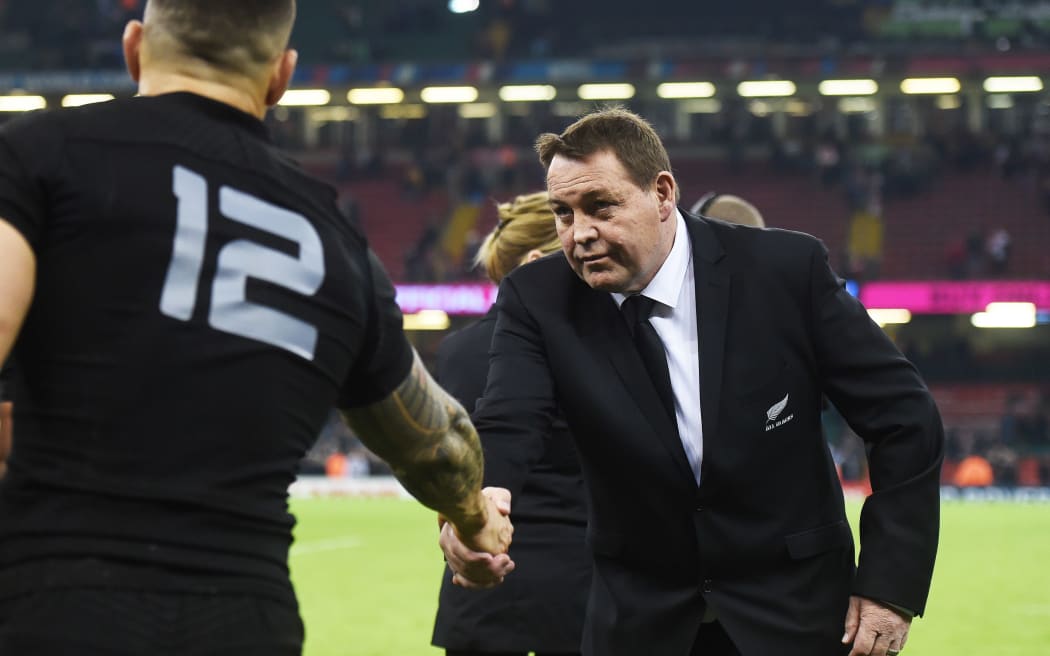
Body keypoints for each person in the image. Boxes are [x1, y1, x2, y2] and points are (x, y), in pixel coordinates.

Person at [0, 2, 511, 654]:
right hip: (245, 619)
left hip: (54, 608)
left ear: (134, 47)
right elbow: (439, 444)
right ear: (281, 76)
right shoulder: (335, 241)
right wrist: (475, 522)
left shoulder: (41, 155)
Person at [440, 108, 943, 656]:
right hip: (640, 623)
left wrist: (888, 588)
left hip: (794, 614)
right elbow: (509, 419)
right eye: (563, 213)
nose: (580, 234)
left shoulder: (784, 271)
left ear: (662, 194)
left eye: (600, 207)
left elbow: (903, 418)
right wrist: (477, 504)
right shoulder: (537, 298)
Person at [432, 191, 590, 656]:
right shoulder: (593, 347)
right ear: (541, 258)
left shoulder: (457, 351)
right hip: (578, 590)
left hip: (479, 585)